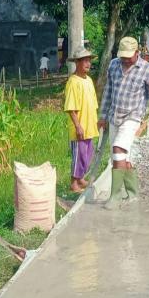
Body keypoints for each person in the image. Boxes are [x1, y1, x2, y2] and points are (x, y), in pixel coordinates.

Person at [99, 36, 149, 210]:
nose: (125, 60)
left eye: (129, 56)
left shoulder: (147, 69)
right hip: (114, 116)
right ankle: (133, 194)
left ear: (137, 53)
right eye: (123, 56)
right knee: (119, 158)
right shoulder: (113, 65)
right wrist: (102, 115)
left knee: (118, 149)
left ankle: (115, 196)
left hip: (133, 117)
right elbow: (108, 91)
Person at [64, 48, 100, 193]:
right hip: (79, 127)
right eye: (84, 61)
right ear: (77, 63)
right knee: (79, 155)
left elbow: (93, 103)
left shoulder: (89, 80)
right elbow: (71, 108)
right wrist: (78, 126)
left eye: (89, 60)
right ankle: (74, 183)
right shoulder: (73, 82)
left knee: (88, 154)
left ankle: (80, 178)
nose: (88, 63)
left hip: (89, 125)